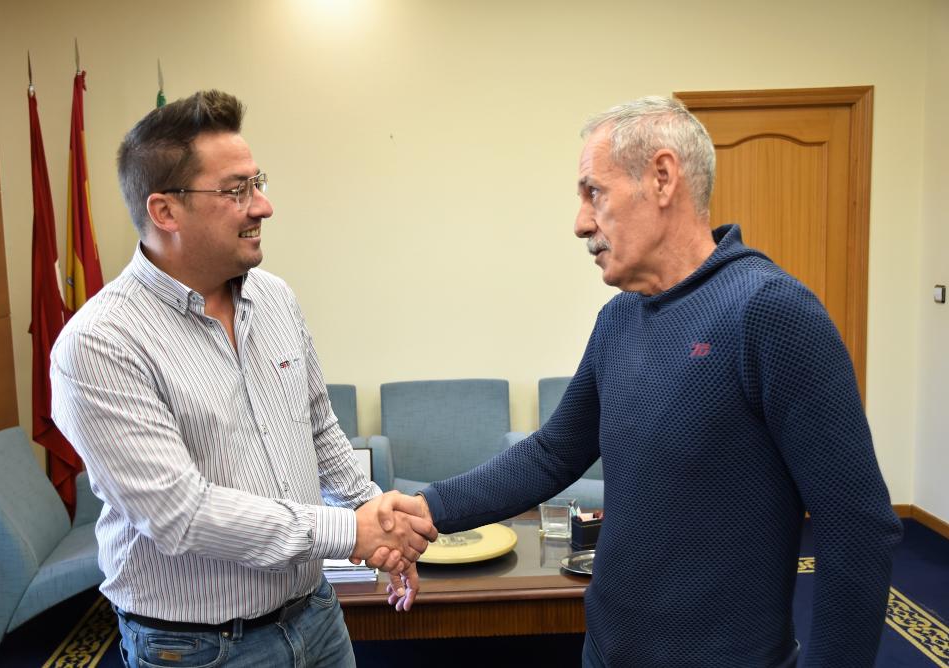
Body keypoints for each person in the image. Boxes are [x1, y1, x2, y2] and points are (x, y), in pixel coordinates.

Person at [381, 96, 902, 667]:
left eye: (593, 192)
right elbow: (553, 454)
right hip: (607, 652)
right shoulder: (620, 318)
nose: (580, 221)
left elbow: (857, 527)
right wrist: (429, 509)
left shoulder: (770, 312)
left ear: (661, 178)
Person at [51, 90, 434, 668]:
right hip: (200, 647)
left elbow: (320, 431)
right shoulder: (100, 343)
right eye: (237, 190)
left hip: (316, 616)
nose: (263, 206)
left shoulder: (275, 297)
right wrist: (345, 532)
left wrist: (377, 519)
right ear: (165, 212)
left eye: (258, 182)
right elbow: (180, 514)